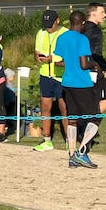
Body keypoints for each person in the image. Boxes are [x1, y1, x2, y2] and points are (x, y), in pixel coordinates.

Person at [54, 10, 100, 169]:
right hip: (82, 83)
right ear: (82, 23)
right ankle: (82, 152)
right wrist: (94, 64)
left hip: (67, 82)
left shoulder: (62, 37)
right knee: (94, 117)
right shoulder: (82, 39)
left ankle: (72, 155)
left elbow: (58, 61)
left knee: (72, 118)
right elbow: (83, 64)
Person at [33, 10, 67, 152]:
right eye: (45, 24)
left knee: (64, 109)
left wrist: (52, 58)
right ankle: (47, 140)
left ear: (57, 21)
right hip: (45, 75)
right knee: (45, 107)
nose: (48, 27)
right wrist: (39, 58)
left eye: (50, 24)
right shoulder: (40, 33)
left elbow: (68, 57)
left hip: (61, 76)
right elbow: (36, 52)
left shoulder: (65, 33)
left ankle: (70, 141)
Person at [84, 3, 106, 123]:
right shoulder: (95, 31)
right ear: (93, 14)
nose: (104, 15)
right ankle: (90, 123)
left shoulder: (81, 28)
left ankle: (86, 122)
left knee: (87, 98)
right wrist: (103, 67)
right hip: (93, 68)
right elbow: (95, 52)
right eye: (102, 12)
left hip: (80, 67)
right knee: (104, 99)